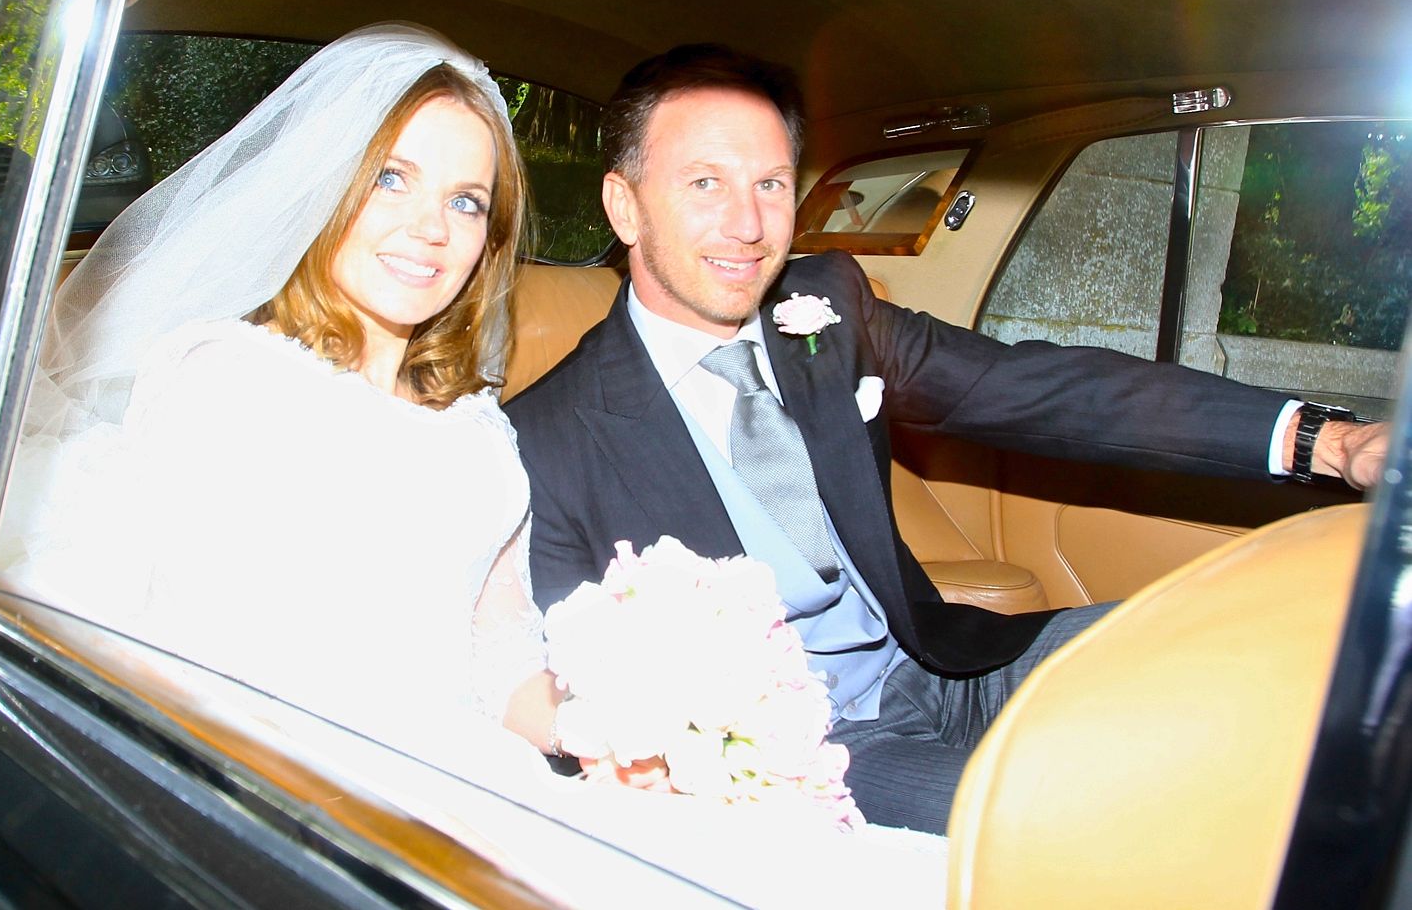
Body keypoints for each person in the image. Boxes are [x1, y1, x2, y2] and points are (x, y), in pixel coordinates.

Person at [0, 25, 954, 906]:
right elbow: (209, 664)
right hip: (303, 796)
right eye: (393, 180)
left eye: (465, 201)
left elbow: (499, 659)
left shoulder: (481, 432)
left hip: (482, 771)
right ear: (325, 191)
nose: (430, 227)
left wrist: (625, 721)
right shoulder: (222, 380)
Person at [503, 42, 1391, 834]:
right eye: (706, 184)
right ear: (624, 206)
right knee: (1094, 828)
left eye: (771, 183)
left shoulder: (826, 309)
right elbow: (574, 693)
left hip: (946, 658)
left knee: (1276, 646)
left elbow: (1036, 389)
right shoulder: (546, 438)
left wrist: (1325, 440)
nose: (749, 226)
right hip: (818, 753)